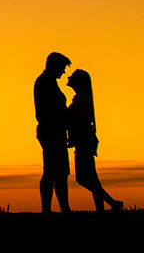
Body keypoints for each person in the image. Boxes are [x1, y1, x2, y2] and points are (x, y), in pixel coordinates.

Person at [66, 69, 124, 211]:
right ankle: (104, 208)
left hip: (84, 141)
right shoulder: (82, 98)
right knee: (92, 179)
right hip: (86, 141)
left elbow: (79, 121)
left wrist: (73, 137)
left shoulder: (82, 99)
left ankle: (112, 204)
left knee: (83, 178)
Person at [34, 51, 71, 212]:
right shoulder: (44, 82)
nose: (63, 72)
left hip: (55, 131)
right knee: (52, 170)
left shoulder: (48, 82)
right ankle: (49, 209)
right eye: (62, 68)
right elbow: (48, 111)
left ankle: (61, 207)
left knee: (58, 171)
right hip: (52, 132)